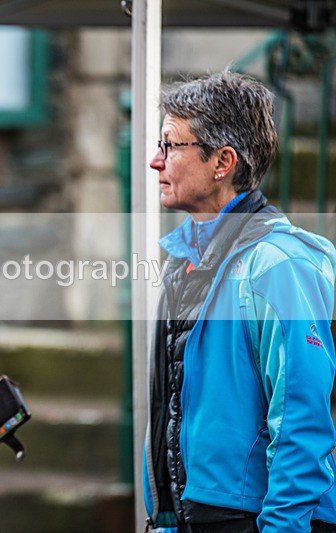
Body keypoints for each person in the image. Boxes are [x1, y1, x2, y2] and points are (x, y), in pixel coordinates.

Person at [143, 71, 336, 533]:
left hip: (257, 520)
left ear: (222, 161)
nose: (155, 161)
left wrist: (282, 528)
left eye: (170, 145)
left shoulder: (279, 264)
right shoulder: (181, 258)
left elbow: (301, 421)